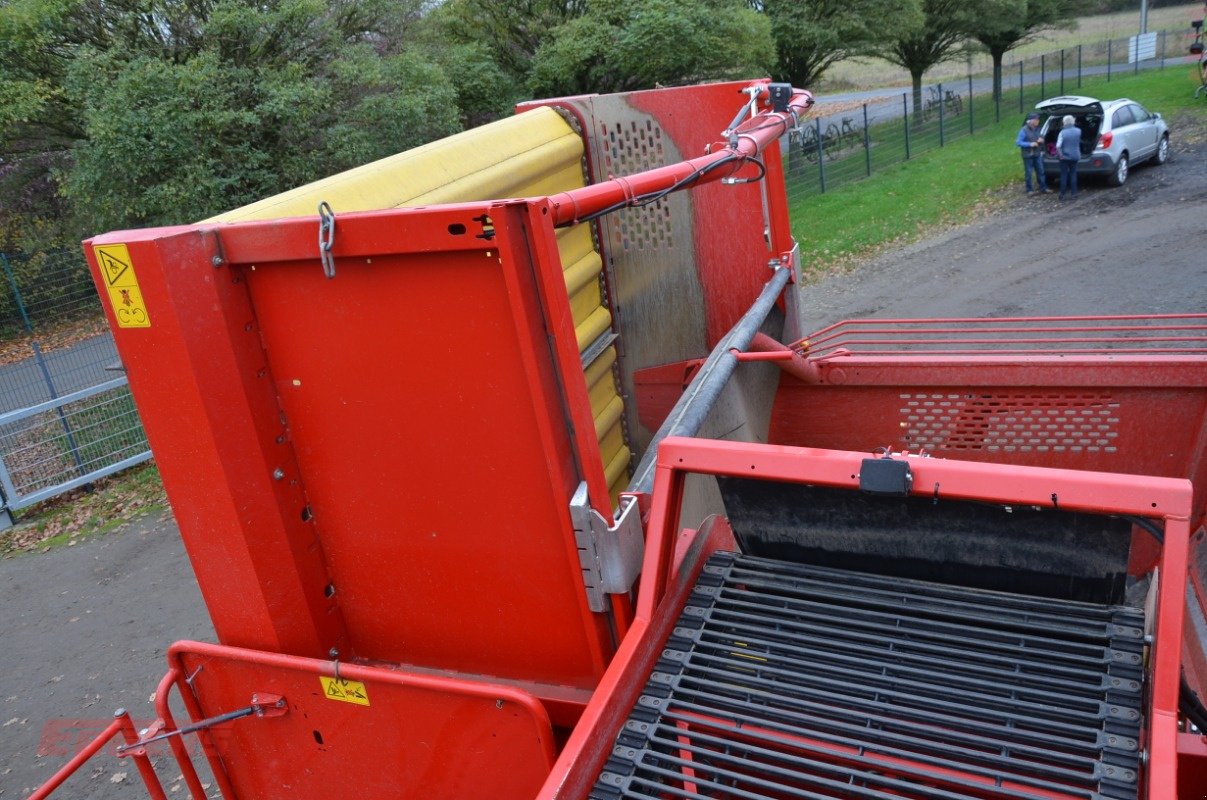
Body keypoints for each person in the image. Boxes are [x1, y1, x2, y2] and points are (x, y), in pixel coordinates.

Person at [1015, 112, 1047, 194]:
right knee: (1029, 173)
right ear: (1031, 120)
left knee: (1041, 171)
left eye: (1038, 119)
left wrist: (1041, 140)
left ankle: (1043, 188)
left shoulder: (1038, 128)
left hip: (1037, 153)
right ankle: (1029, 190)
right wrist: (1029, 144)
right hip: (1028, 155)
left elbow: (1041, 137)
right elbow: (1018, 142)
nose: (1038, 121)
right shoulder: (1023, 130)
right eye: (1036, 119)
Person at [1056, 114, 1081, 200]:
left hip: (1065, 157)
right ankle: (1074, 194)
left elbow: (1058, 146)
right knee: (1073, 174)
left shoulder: (1062, 132)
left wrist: (1061, 155)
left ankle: (1062, 195)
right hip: (1075, 156)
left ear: (1064, 123)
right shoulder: (1078, 131)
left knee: (1064, 175)